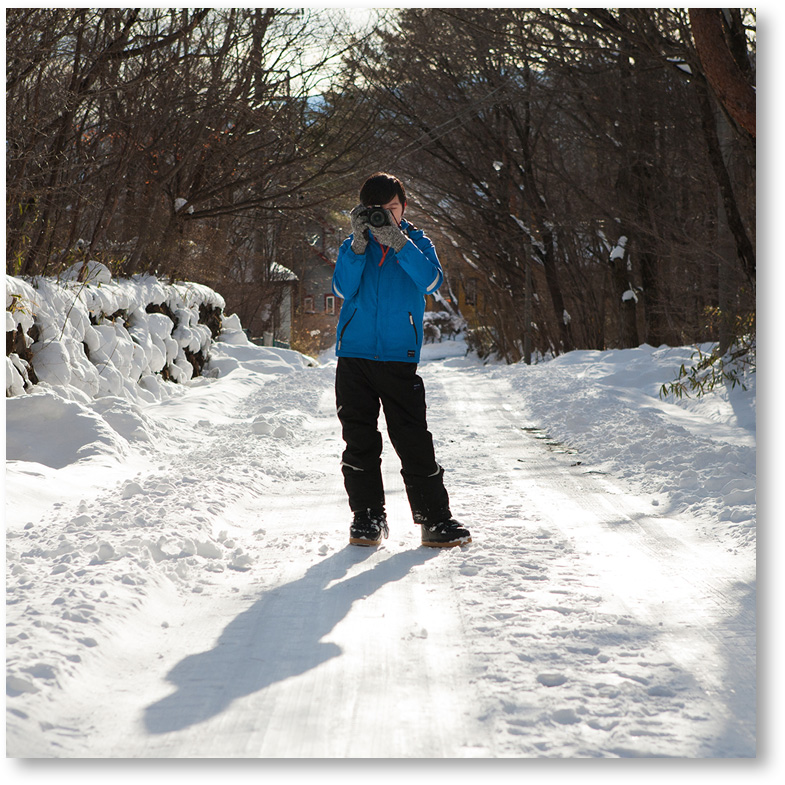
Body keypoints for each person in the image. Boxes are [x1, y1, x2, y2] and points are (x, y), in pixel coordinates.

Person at [331, 172, 472, 548]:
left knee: (412, 439)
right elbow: (342, 288)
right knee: (359, 439)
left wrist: (399, 243)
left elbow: (430, 282)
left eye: (392, 209)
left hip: (398, 357)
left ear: (403, 207)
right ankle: (367, 519)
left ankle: (435, 521)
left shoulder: (418, 242)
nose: (385, 217)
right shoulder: (352, 245)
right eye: (377, 211)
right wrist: (360, 245)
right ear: (363, 211)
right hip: (354, 357)